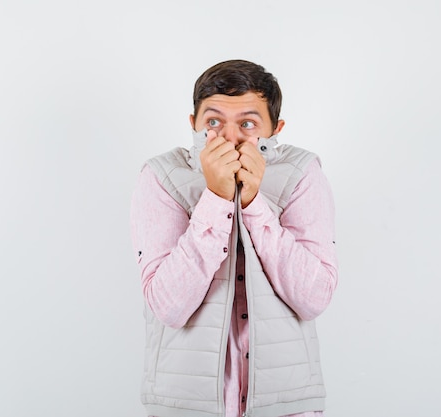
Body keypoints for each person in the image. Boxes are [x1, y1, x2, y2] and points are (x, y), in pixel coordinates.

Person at [130, 59, 338, 417]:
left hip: (286, 406)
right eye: (213, 122)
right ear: (193, 124)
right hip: (186, 405)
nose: (228, 138)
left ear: (275, 130)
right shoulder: (161, 177)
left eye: (247, 124)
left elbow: (314, 297)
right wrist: (216, 199)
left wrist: (255, 204)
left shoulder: (302, 173)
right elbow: (168, 306)